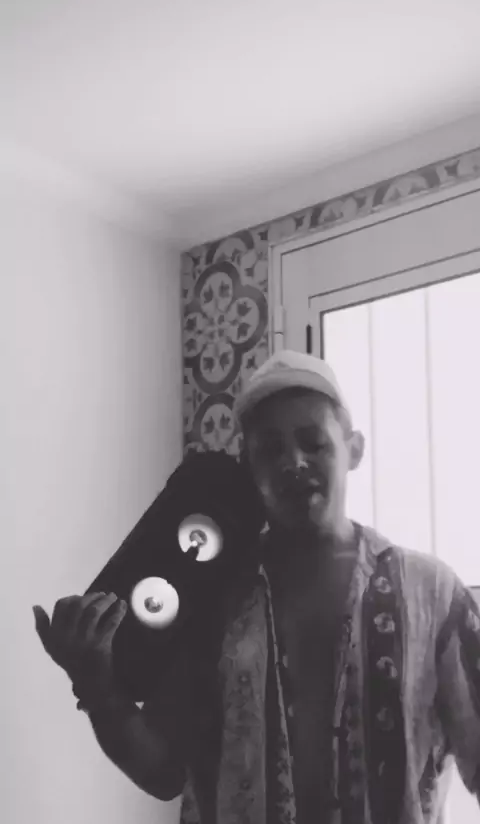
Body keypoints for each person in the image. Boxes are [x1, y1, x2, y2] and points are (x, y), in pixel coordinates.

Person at [33, 349, 480, 824]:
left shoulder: (432, 595)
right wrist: (100, 687)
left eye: (313, 442)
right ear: (249, 466)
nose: (294, 462)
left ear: (353, 449)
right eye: (270, 450)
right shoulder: (211, 597)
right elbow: (162, 770)